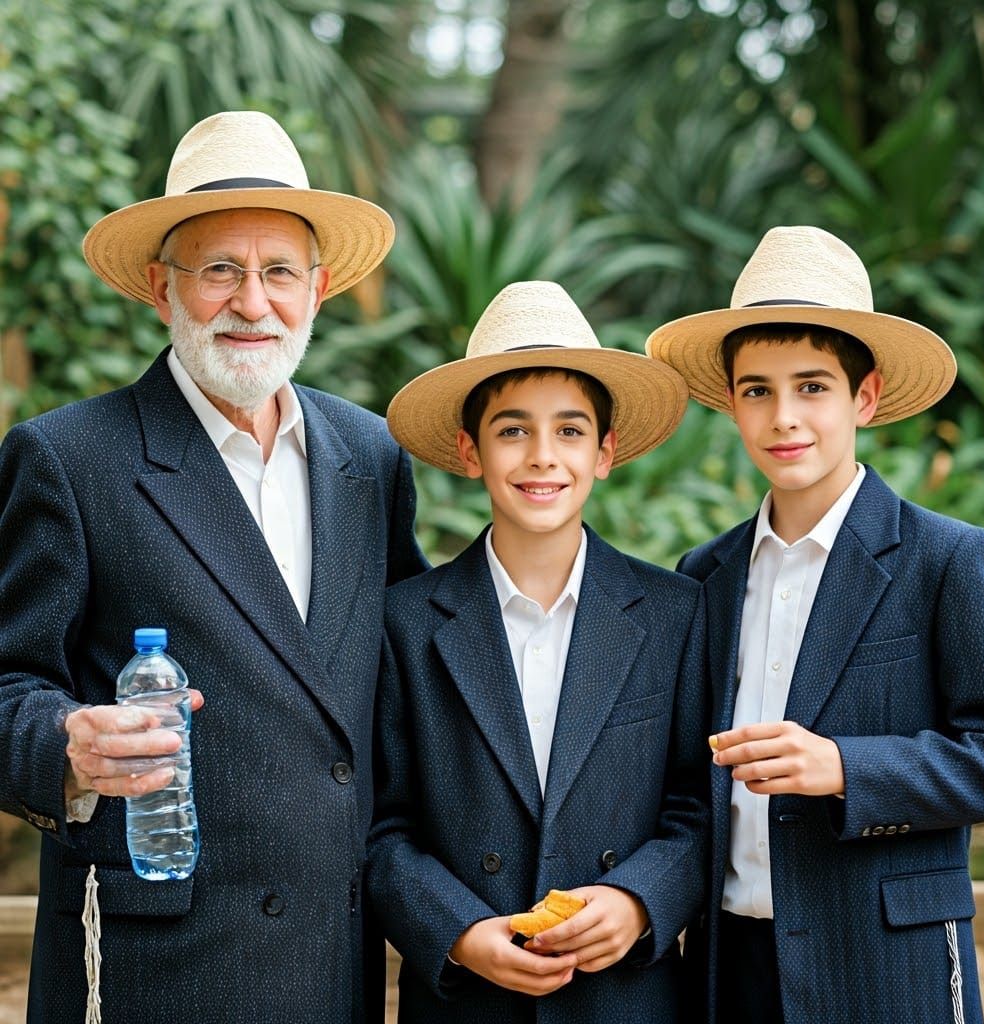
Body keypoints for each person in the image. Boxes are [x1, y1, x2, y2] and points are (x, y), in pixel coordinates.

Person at [0, 110, 426, 1024]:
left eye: (278, 272)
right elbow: (7, 685)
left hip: (332, 960)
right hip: (159, 965)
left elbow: (400, 690)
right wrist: (67, 745)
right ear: (161, 287)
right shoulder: (67, 459)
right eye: (219, 271)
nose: (252, 302)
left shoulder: (372, 456)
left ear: (317, 289)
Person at [646, 225, 984, 1024]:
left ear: (865, 396)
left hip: (887, 966)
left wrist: (847, 767)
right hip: (729, 965)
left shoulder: (946, 559)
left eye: (812, 386)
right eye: (757, 390)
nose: (784, 417)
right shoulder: (703, 576)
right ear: (734, 405)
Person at [366, 280, 709, 1023]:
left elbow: (701, 804)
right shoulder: (405, 621)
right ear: (469, 451)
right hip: (466, 1003)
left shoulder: (676, 612)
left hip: (626, 999)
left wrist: (639, 900)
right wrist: (458, 932)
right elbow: (381, 823)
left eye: (571, 431)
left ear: (606, 452)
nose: (543, 457)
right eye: (513, 430)